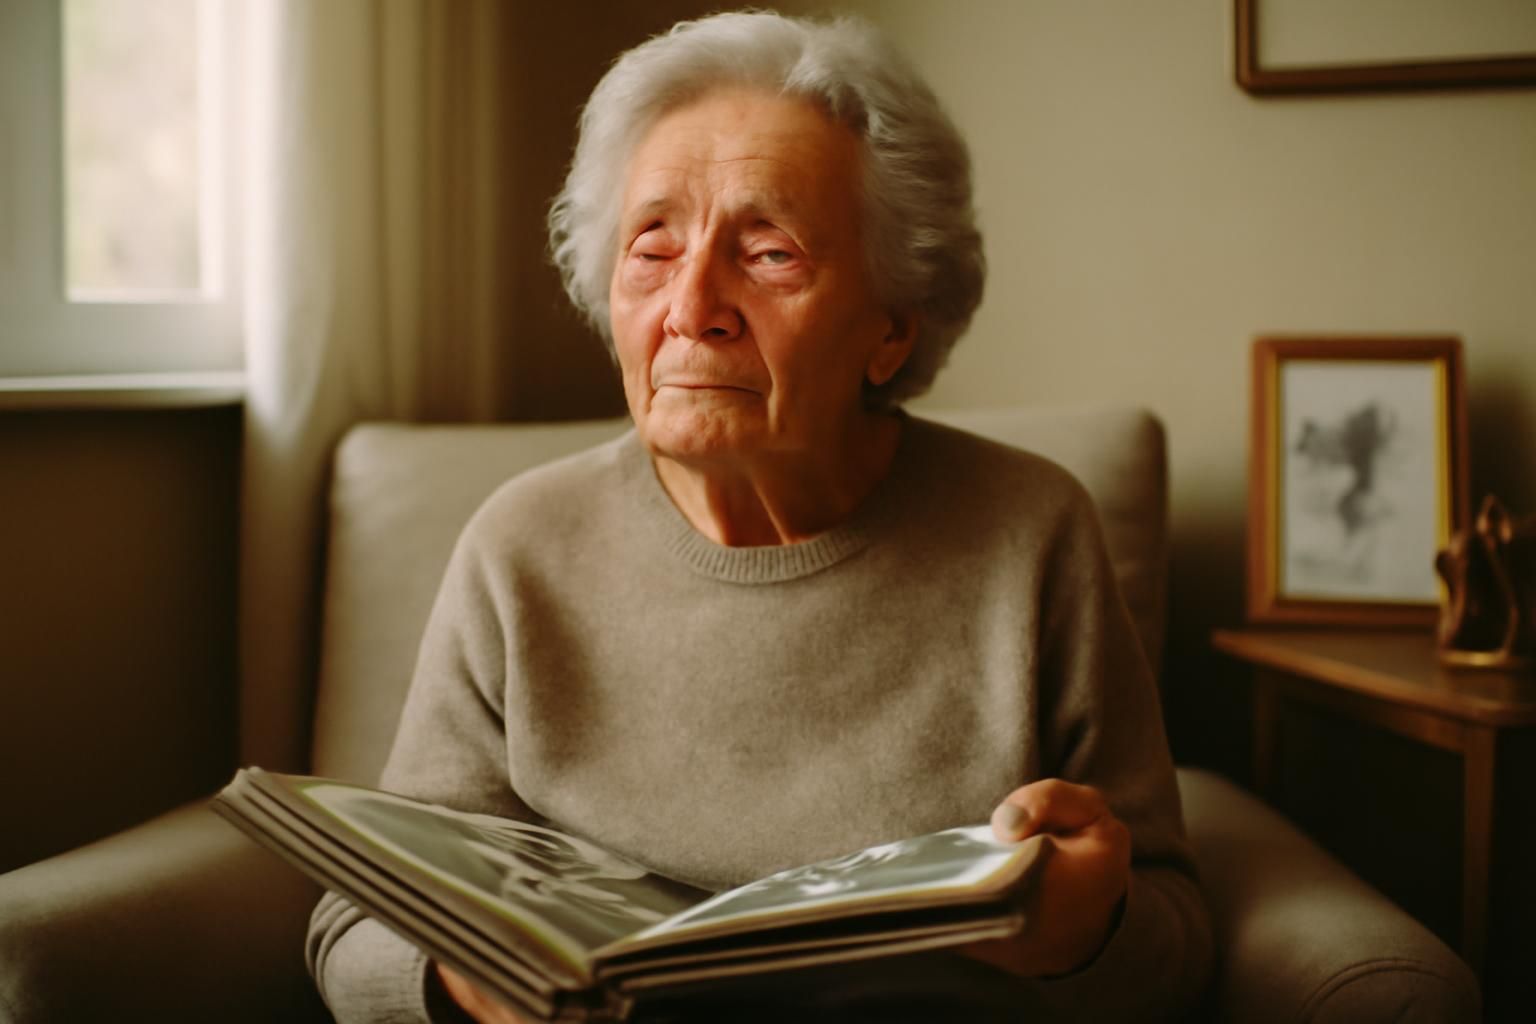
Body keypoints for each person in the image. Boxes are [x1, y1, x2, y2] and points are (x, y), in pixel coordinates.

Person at [307, 11, 1212, 1022]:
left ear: (890, 327)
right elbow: (356, 919)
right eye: (652, 246)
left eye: (769, 253)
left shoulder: (1031, 532)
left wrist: (1088, 932)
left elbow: (1175, 931)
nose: (693, 305)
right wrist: (457, 978)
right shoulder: (521, 546)